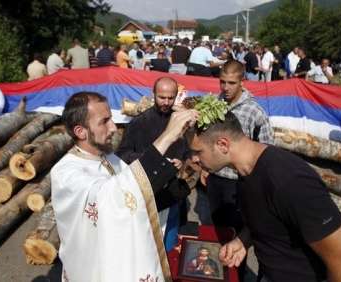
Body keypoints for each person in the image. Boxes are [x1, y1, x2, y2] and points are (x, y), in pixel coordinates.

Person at [187, 111, 341, 282]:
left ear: (223, 145)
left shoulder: (289, 180)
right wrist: (243, 240)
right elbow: (270, 216)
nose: (193, 159)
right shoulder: (245, 169)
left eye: (198, 151)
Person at [51, 91, 198, 282]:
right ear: (81, 131)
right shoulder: (65, 174)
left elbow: (134, 196)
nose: (113, 128)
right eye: (104, 122)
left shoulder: (110, 158)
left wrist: (182, 178)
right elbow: (112, 198)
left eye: (111, 119)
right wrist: (168, 136)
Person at [206, 60, 274, 281]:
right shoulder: (215, 103)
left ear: (242, 82)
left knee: (238, 237)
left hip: (238, 184)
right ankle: (220, 273)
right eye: (222, 82)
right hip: (215, 181)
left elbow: (266, 152)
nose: (225, 88)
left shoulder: (255, 112)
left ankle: (237, 276)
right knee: (218, 231)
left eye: (231, 83)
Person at [116, 77, 191, 252]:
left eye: (170, 98)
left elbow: (190, 152)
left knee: (168, 246)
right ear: (153, 94)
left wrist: (183, 161)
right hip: (145, 194)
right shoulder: (139, 122)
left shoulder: (183, 123)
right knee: (144, 246)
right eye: (161, 97)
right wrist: (148, 159)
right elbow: (122, 153)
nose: (166, 102)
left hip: (172, 194)